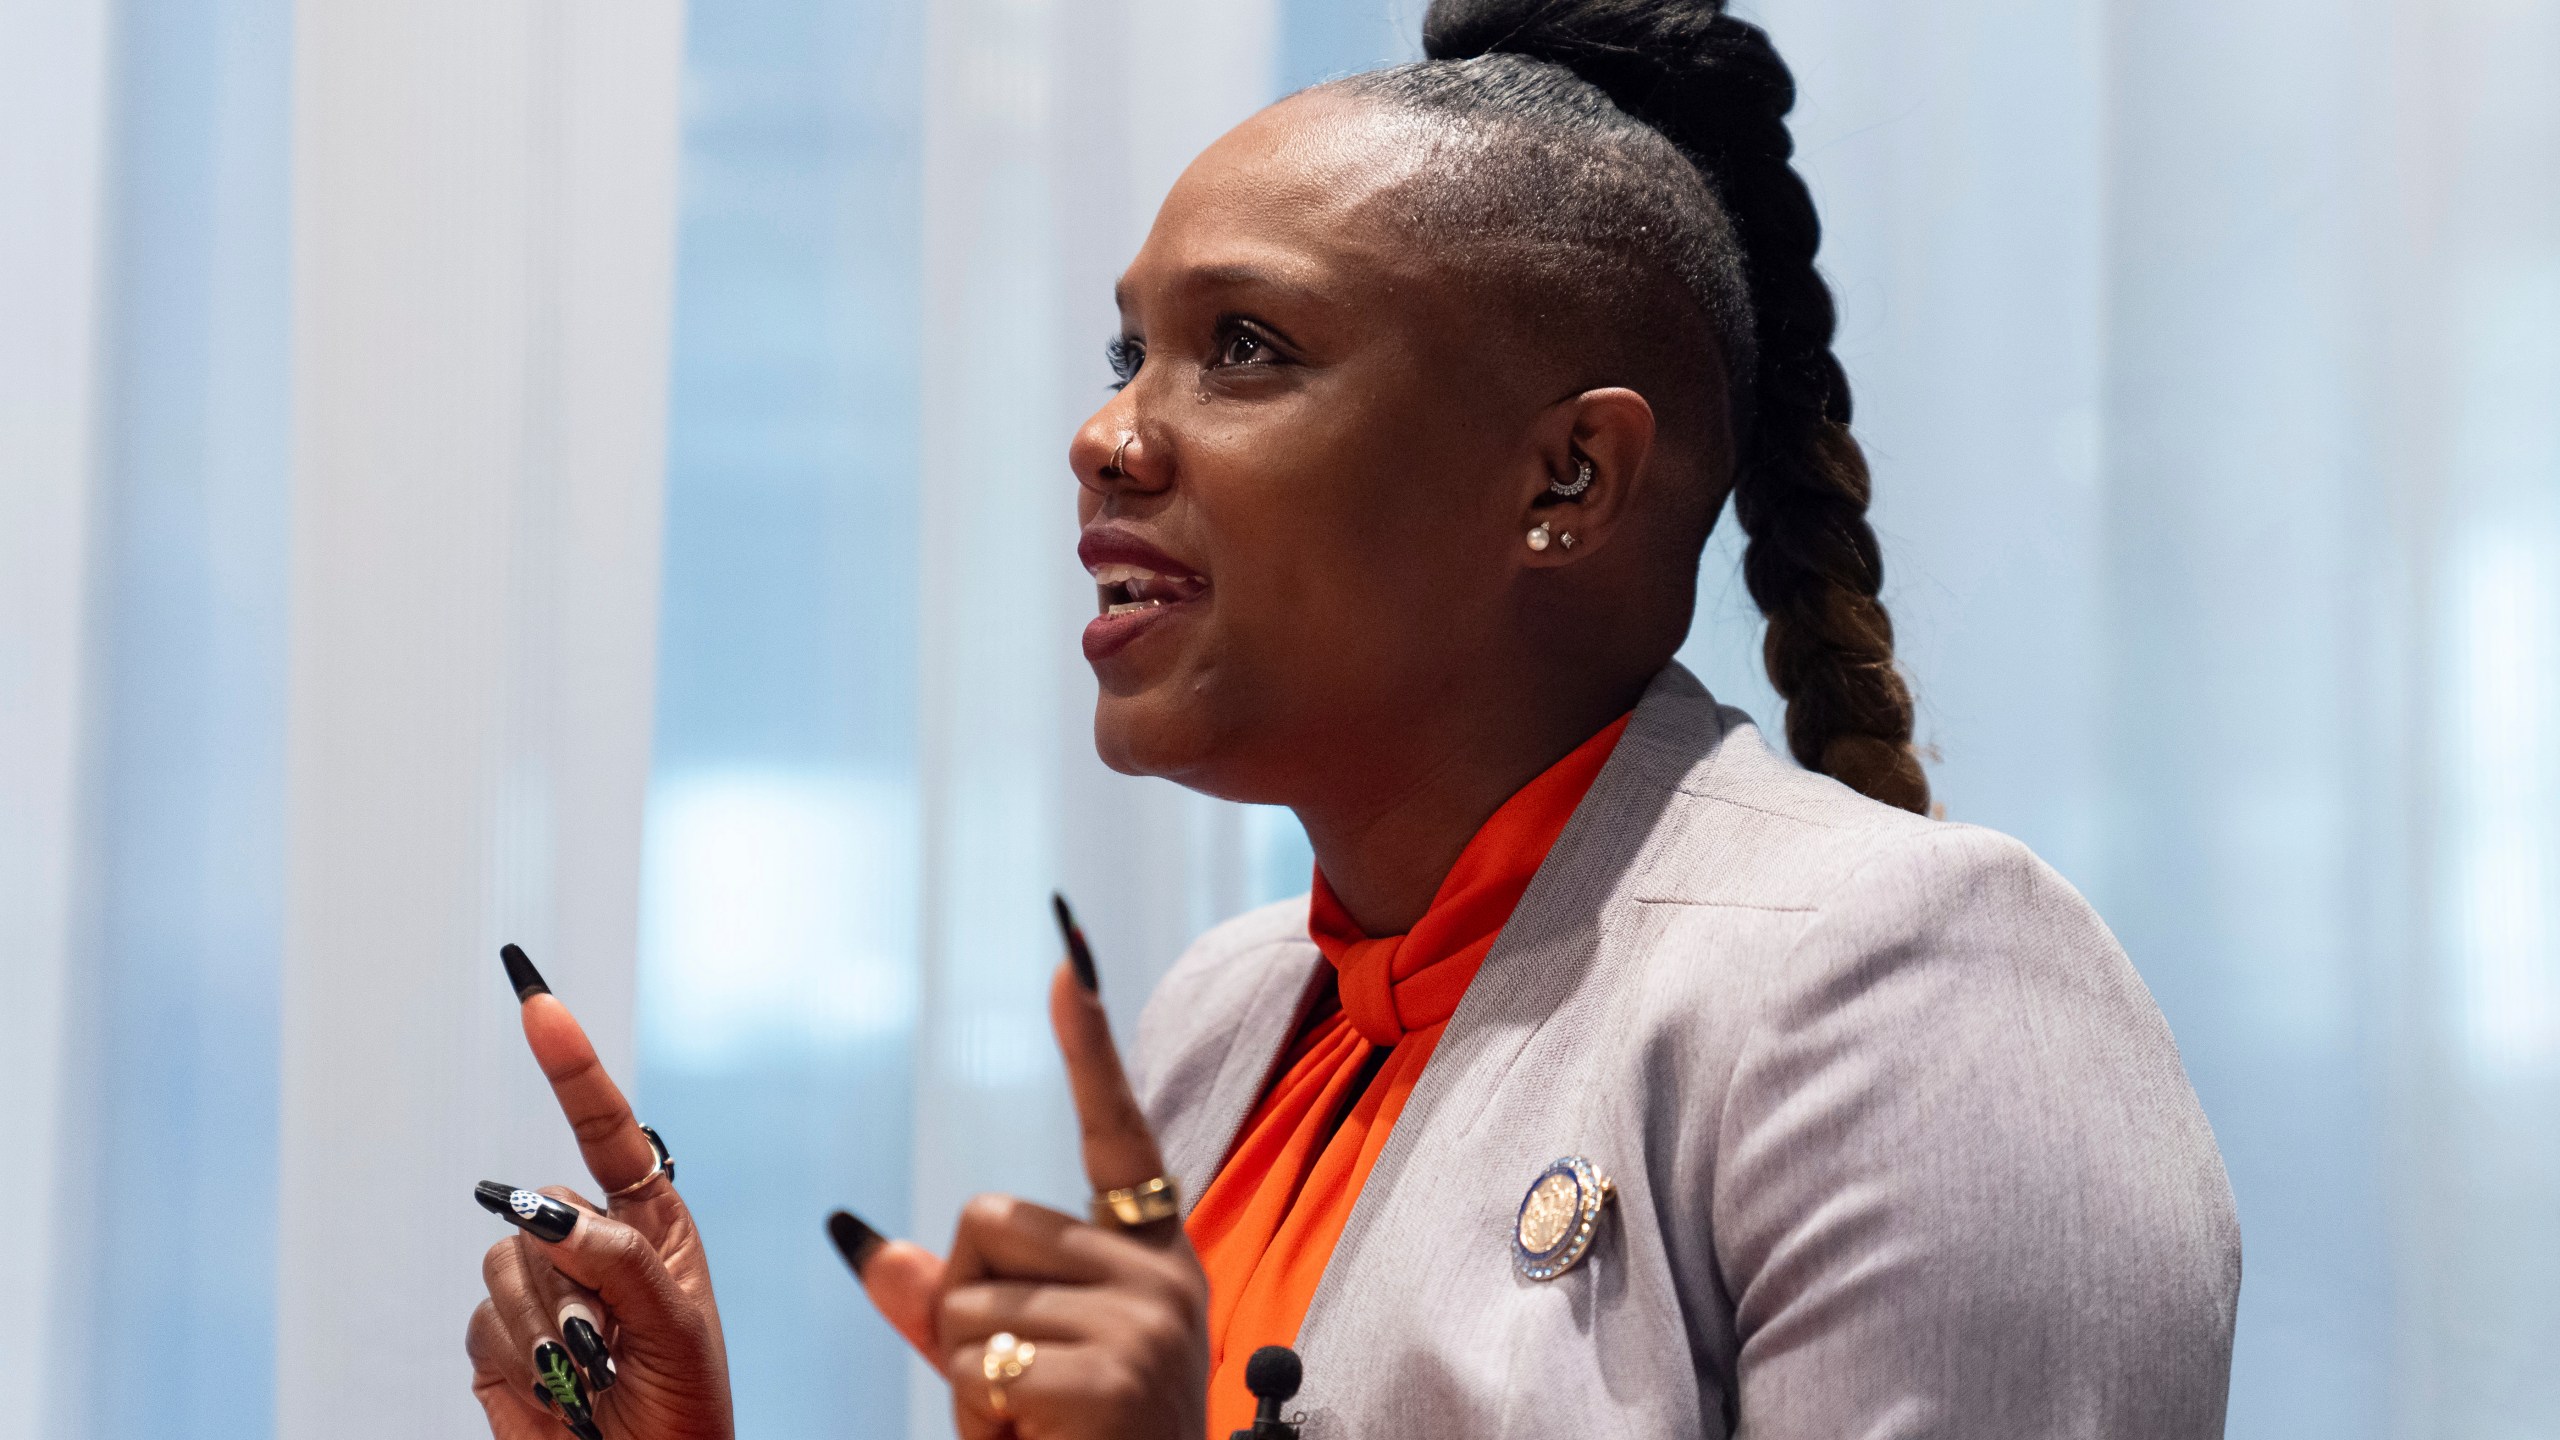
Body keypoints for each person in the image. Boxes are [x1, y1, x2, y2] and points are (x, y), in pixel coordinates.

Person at [463, 0, 2243, 1435]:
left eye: (1245, 346)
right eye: (1124, 354)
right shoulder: (1217, 1026)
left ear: (1567, 473)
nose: (1111, 436)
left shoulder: (1911, 988)